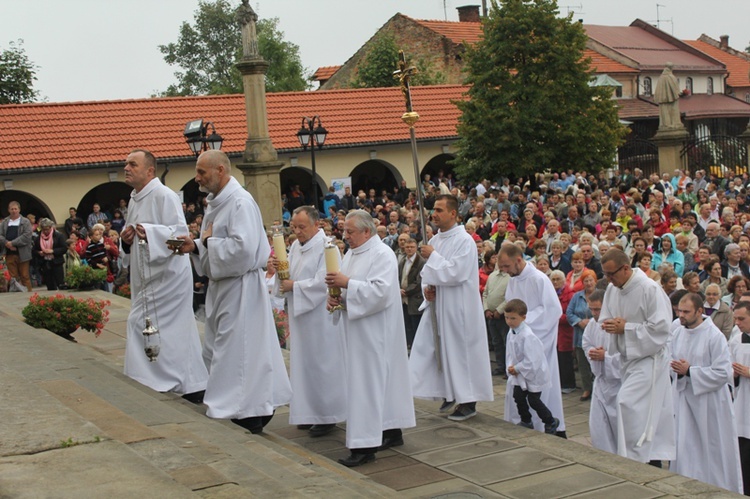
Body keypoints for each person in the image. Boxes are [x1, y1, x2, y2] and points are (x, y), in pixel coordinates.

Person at [179, 150, 291, 434]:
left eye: (202, 172)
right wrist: (196, 245)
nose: (197, 178)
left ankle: (245, 410)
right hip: (222, 287)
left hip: (241, 287)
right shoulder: (216, 202)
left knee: (239, 351)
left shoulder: (240, 202)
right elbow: (211, 243)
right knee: (220, 347)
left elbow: (243, 250)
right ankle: (236, 404)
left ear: (220, 170)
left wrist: (206, 243)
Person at [325, 210, 415, 467]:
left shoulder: (382, 254)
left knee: (366, 386)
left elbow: (380, 292)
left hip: (375, 332)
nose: (346, 236)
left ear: (367, 231)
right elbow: (347, 287)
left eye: (350, 232)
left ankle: (364, 446)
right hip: (358, 330)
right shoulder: (352, 253)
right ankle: (390, 430)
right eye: (344, 231)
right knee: (375, 385)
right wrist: (336, 296)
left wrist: (347, 284)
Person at [119, 149, 209, 401]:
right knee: (168, 332)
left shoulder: (164, 196)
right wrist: (126, 240)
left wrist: (149, 232)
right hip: (146, 277)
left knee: (142, 324)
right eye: (126, 164)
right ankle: (188, 382)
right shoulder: (135, 198)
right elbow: (130, 238)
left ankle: (151, 379)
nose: (126, 168)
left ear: (149, 171)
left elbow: (180, 236)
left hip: (168, 277)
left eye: (132, 164)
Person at [410, 194, 494, 422]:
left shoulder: (464, 240)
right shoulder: (435, 240)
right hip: (439, 305)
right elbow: (428, 273)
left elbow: (457, 272)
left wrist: (433, 257)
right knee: (438, 350)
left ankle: (468, 400)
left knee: (461, 353)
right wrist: (428, 288)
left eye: (439, 210)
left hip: (459, 307)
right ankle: (448, 391)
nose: (433, 214)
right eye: (433, 210)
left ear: (453, 214)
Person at [275, 205, 347, 437]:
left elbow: (323, 281)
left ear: (317, 224)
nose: (297, 231)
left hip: (320, 317)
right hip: (301, 316)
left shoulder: (328, 248)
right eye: (294, 226)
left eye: (302, 226)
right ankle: (308, 412)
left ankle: (327, 415)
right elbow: (290, 275)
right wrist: (280, 273)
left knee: (322, 365)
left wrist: (294, 286)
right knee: (303, 365)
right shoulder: (296, 246)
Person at [599, 248, 675, 466]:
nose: (608, 279)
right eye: (605, 274)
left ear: (625, 268)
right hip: (628, 359)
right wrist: (611, 324)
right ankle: (634, 456)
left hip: (649, 360)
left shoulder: (649, 288)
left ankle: (636, 458)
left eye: (611, 274)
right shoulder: (613, 289)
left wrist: (626, 328)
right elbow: (606, 317)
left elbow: (661, 329)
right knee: (634, 411)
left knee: (627, 403)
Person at [669, 293, 742, 493]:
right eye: (678, 311)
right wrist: (676, 370)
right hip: (685, 400)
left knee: (712, 449)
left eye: (686, 312)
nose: (680, 316)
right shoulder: (678, 332)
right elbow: (669, 360)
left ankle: (718, 489)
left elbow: (723, 372)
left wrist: (691, 371)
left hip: (710, 404)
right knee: (685, 448)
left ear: (700, 311)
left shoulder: (714, 336)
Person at [498, 243, 566, 436]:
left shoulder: (539, 279)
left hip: (537, 341)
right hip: (518, 339)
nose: (504, 271)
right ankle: (522, 420)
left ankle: (548, 424)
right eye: (501, 267)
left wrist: (525, 326)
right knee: (517, 387)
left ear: (518, 260)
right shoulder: (512, 280)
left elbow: (553, 310)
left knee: (537, 389)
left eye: (506, 266)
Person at [504, 299, 560, 434]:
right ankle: (526, 420)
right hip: (520, 372)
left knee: (533, 400)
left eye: (513, 318)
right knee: (518, 397)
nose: (509, 321)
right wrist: (510, 367)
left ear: (523, 318)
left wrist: (517, 368)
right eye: (506, 318)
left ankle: (550, 421)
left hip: (533, 374)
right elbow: (511, 353)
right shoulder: (511, 332)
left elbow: (533, 360)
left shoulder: (528, 336)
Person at [582, 290, 621, 454]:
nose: (594, 313)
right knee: (598, 427)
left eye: (597, 309)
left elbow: (627, 354)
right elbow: (586, 343)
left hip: (619, 385)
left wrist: (605, 356)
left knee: (620, 429)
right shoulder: (592, 324)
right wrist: (593, 352)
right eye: (591, 309)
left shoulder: (617, 325)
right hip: (601, 381)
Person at [566, 269, 598, 402]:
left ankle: (597, 389)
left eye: (591, 280)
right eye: (586, 281)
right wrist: (579, 322)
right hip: (580, 335)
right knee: (583, 364)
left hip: (596, 335)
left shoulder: (601, 295)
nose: (589, 283)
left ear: (595, 281)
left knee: (596, 363)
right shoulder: (577, 296)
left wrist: (590, 322)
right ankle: (587, 389)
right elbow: (569, 313)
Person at [729, 301, 750, 495]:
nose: (737, 323)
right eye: (735, 318)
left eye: (741, 319)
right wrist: (733, 374)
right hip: (744, 405)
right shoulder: (736, 340)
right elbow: (726, 368)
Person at [483, 263, 510, 377]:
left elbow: (509, 296)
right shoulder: (492, 276)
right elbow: (485, 294)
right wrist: (486, 309)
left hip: (503, 316)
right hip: (491, 315)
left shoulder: (510, 277)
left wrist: (499, 310)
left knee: (506, 342)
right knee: (496, 342)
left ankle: (508, 367)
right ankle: (500, 366)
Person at [0, 201, 33, 291]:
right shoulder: (5, 222)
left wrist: (13, 243)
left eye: (15, 209)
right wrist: (7, 243)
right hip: (9, 253)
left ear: (19, 210)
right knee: (13, 277)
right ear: (8, 210)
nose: (14, 211)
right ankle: (15, 295)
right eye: (12, 209)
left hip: (22, 254)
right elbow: (0, 235)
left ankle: (29, 295)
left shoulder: (25, 222)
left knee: (24, 276)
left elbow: (27, 236)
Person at [399, 238, 424, 349]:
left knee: (416, 326)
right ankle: (409, 346)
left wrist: (406, 291)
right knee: (406, 325)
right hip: (403, 300)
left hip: (415, 299)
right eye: (407, 247)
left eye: (412, 247)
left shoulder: (421, 262)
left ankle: (417, 348)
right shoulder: (402, 261)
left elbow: (419, 281)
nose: (409, 249)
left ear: (416, 248)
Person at [33, 218, 66, 290]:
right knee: (50, 285)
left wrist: (53, 251)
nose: (46, 231)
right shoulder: (37, 238)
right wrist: (39, 253)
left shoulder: (59, 236)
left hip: (57, 262)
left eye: (47, 229)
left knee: (60, 283)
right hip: (45, 263)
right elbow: (34, 250)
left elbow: (64, 248)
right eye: (44, 229)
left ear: (51, 227)